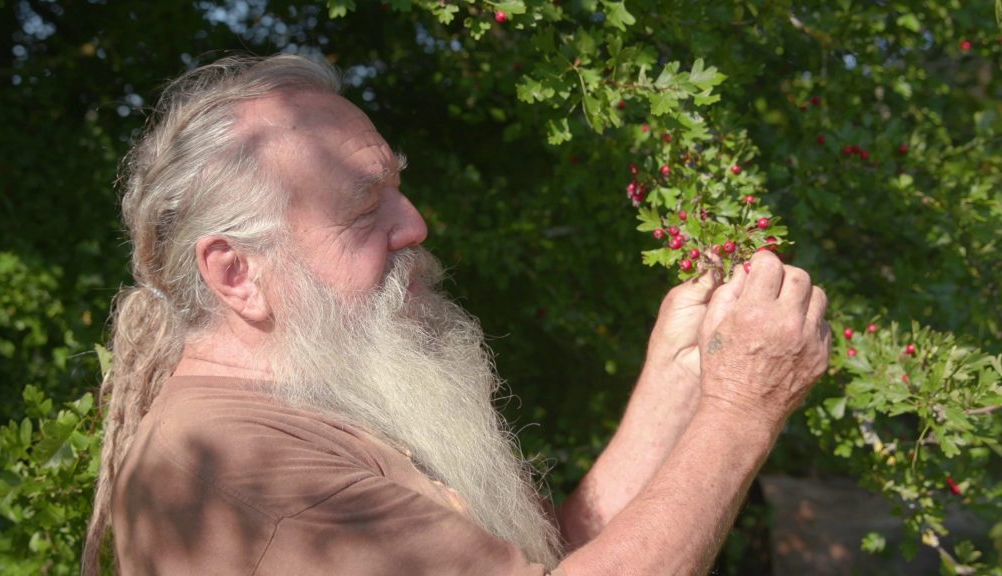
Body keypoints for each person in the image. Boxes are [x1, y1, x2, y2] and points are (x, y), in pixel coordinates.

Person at [82, 54, 830, 576]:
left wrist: (683, 376)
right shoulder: (242, 467)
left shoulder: (313, 401)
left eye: (398, 190)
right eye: (363, 205)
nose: (414, 226)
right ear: (236, 274)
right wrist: (741, 408)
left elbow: (559, 552)